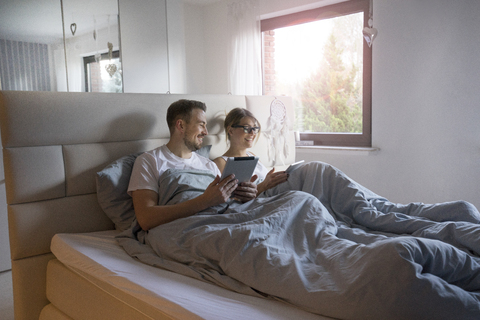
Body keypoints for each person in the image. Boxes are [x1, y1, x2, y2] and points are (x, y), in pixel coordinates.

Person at [127, 99, 258, 231]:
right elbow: (146, 219)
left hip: (224, 220)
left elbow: (224, 202)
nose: (206, 132)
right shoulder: (149, 161)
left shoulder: (208, 165)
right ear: (181, 125)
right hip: (193, 229)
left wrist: (247, 197)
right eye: (201, 125)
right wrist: (204, 201)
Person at [213, 108, 288, 196]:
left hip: (274, 194)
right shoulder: (220, 163)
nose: (252, 133)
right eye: (247, 128)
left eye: (254, 128)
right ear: (231, 130)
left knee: (305, 170)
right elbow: (231, 198)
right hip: (260, 203)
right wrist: (263, 186)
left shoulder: (251, 155)